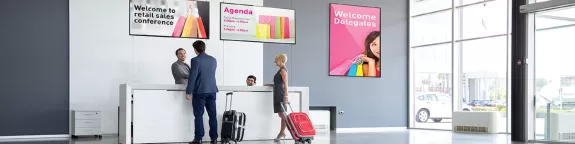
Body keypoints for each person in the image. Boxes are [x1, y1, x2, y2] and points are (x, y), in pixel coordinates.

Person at [185, 40, 218, 144]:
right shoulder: (213, 59)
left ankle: (198, 139)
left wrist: (188, 91)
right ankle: (214, 139)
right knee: (212, 115)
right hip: (212, 90)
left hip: (200, 91)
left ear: (195, 49)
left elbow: (193, 77)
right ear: (204, 48)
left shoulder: (195, 60)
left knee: (198, 115)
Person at [264, 54, 289, 142]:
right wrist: (270, 85)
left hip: (281, 94)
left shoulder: (283, 70)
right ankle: (282, 132)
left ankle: (283, 131)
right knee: (281, 115)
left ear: (281, 60)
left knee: (283, 115)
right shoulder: (280, 70)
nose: (275, 62)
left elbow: (285, 84)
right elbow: (279, 83)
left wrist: (286, 96)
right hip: (277, 93)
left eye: (276, 60)